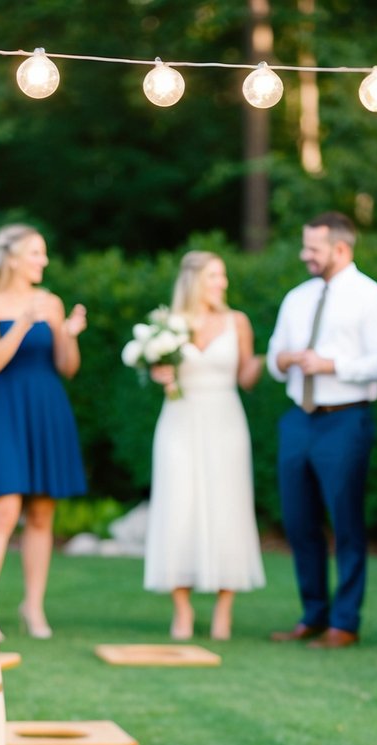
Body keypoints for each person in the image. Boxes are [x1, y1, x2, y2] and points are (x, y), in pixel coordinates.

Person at [267, 212, 377, 649]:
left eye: (314, 249)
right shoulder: (297, 298)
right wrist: (284, 360)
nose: (305, 255)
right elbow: (273, 357)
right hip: (298, 418)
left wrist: (331, 364)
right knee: (298, 520)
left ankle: (345, 622)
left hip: (346, 417)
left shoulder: (373, 299)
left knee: (345, 521)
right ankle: (313, 615)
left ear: (340, 250)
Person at [0, 224, 87, 641]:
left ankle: (32, 606)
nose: (43, 261)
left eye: (44, 254)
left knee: (41, 512)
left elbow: (68, 367)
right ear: (13, 258)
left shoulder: (51, 301)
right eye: (36, 253)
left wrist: (66, 333)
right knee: (4, 509)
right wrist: (22, 321)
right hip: (5, 408)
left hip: (46, 406)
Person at [143, 251, 265, 641]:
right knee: (179, 505)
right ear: (195, 280)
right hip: (180, 419)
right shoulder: (169, 325)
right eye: (215, 276)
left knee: (228, 506)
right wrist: (159, 373)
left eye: (222, 276)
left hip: (225, 420)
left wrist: (270, 356)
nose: (222, 283)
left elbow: (246, 376)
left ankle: (224, 610)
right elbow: (161, 371)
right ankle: (181, 608)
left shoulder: (237, 322)